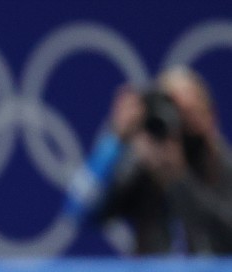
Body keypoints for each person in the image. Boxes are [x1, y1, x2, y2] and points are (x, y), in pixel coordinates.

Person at [96, 66, 232, 255]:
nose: (181, 127)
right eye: (174, 112)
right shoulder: (144, 164)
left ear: (209, 116)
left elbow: (226, 230)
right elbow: (86, 212)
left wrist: (179, 177)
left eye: (189, 113)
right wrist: (115, 141)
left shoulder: (220, 165)